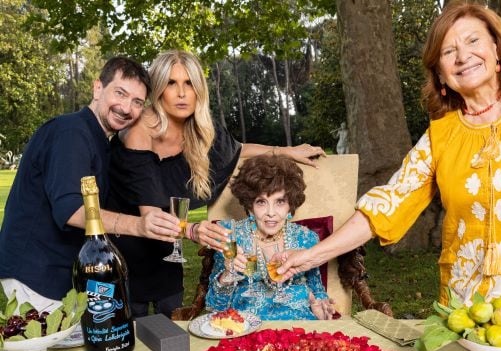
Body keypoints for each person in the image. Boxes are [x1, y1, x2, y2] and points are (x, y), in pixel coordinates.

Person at [278, 3, 501, 318]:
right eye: (448, 52)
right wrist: (310, 256)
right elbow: (387, 205)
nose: (463, 56)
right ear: (440, 74)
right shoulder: (441, 134)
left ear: (497, 50)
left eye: (472, 41)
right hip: (465, 308)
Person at [107, 50, 326, 318]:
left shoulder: (200, 128)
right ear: (158, 89)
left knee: (170, 325)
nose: (181, 93)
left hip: (167, 249)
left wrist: (285, 150)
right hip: (126, 246)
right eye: (172, 83)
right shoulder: (141, 131)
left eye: (189, 83)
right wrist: (193, 230)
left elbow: (237, 150)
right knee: (130, 327)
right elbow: (151, 217)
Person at [0, 57, 180, 313]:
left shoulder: (100, 141)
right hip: (36, 274)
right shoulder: (71, 132)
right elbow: (72, 210)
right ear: (98, 88)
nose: (126, 108)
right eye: (120, 93)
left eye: (137, 102)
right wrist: (139, 225)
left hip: (64, 276)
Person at [204, 155, 334, 320]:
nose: (271, 213)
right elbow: (214, 306)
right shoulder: (231, 236)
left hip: (299, 325)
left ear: (290, 206)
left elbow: (317, 290)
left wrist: (321, 306)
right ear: (250, 206)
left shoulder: (306, 238)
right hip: (247, 326)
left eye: (280, 202)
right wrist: (228, 275)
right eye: (261, 202)